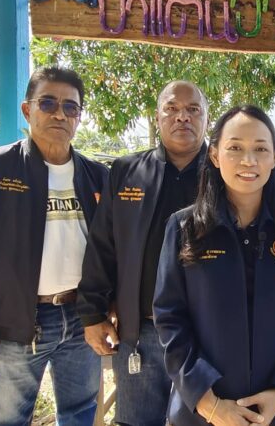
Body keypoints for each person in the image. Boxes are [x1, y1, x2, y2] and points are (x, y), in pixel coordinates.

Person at [0, 67, 108, 425]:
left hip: (81, 320)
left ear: (79, 116)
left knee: (80, 413)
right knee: (7, 419)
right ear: (27, 110)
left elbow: (109, 251)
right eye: (48, 103)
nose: (59, 114)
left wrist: (103, 309)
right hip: (17, 322)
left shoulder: (97, 176)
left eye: (70, 107)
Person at [153, 105, 275, 426]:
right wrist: (210, 404)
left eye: (260, 149)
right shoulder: (184, 227)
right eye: (235, 148)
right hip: (202, 411)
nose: (248, 160)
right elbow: (169, 318)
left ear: (274, 158)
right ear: (215, 156)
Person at [76, 81, 208, 425]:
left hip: (208, 334)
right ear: (157, 116)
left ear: (207, 118)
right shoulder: (126, 171)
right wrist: (92, 313)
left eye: (193, 109)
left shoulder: (225, 175)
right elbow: (103, 245)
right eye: (172, 109)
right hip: (141, 330)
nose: (182, 117)